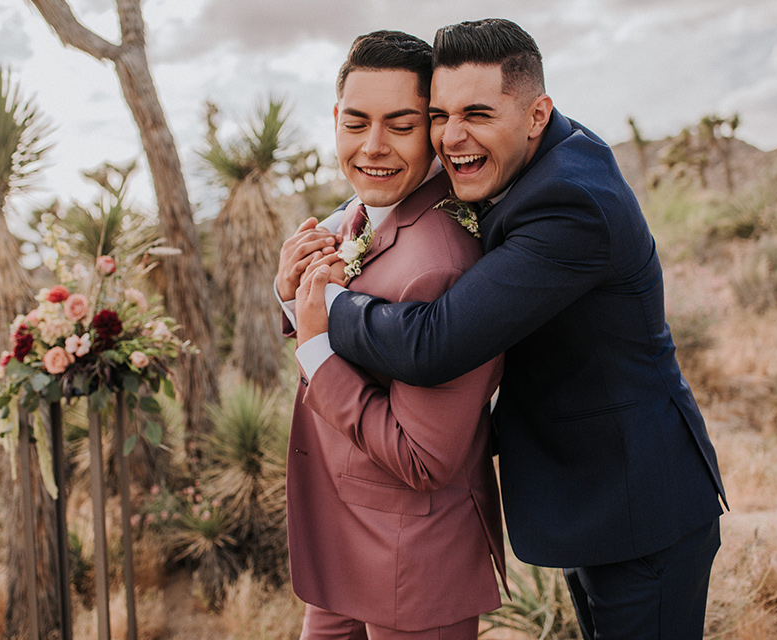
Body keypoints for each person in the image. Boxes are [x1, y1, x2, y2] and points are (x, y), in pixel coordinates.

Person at [297, 18, 727, 640]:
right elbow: (387, 202)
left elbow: (433, 343)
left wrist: (319, 312)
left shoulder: (572, 205)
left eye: (477, 112)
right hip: (583, 486)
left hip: (638, 496)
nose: (453, 137)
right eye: (439, 116)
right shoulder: (529, 160)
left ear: (536, 113)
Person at [278, 30, 505, 640]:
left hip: (414, 560)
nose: (372, 148)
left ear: (432, 130)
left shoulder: (445, 262)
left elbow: (422, 458)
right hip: (344, 540)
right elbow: (334, 316)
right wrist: (291, 292)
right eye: (356, 123)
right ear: (334, 118)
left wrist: (315, 349)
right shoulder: (361, 215)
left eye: (399, 126)